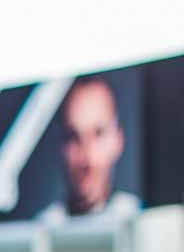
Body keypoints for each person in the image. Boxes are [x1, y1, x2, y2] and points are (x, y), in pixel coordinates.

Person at [37, 75, 140, 225]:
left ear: (118, 140)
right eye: (74, 136)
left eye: (98, 133)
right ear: (61, 147)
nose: (86, 155)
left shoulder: (139, 220)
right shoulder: (42, 228)